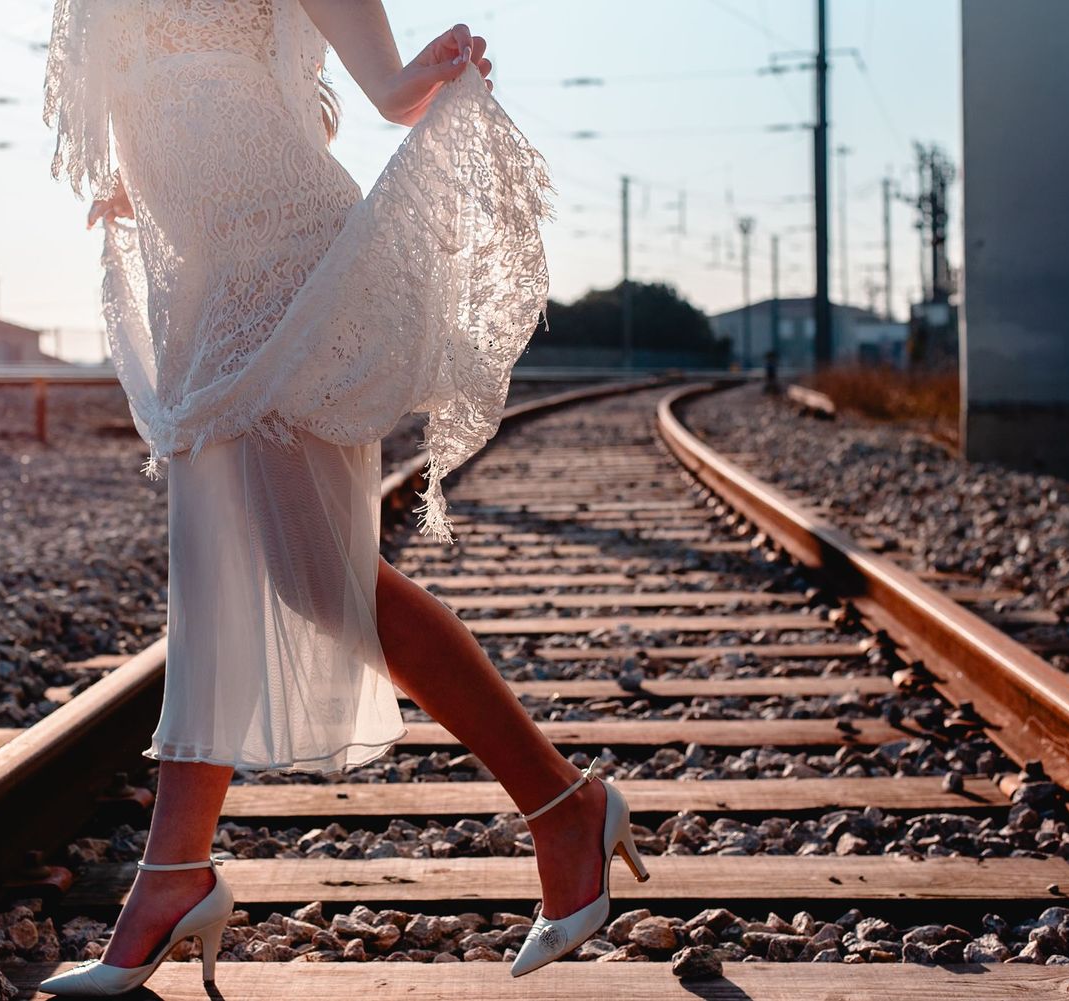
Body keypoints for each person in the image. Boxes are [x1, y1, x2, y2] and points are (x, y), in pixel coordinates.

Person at [36, 1, 648, 993]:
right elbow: (187, 77)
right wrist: (137, 173)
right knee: (213, 583)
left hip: (280, 259)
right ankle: (172, 873)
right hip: (197, 271)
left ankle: (563, 802)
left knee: (323, 584)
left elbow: (374, 91)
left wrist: (414, 78)